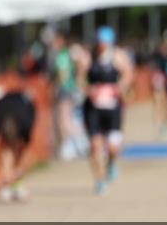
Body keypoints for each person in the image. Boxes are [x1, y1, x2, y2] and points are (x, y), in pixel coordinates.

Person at [79, 26, 133, 194]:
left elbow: (129, 74)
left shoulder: (118, 56)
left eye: (105, 42)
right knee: (95, 145)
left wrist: (120, 87)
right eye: (100, 42)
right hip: (93, 108)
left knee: (113, 147)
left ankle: (111, 164)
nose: (102, 45)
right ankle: (100, 179)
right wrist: (89, 89)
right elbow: (80, 78)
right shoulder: (88, 57)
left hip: (113, 107)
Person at [0, 88, 35, 202]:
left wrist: (19, 166)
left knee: (16, 153)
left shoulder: (25, 123)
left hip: (23, 108)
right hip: (7, 108)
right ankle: (8, 183)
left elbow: (27, 144)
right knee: (7, 151)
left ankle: (14, 182)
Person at [50, 32, 84, 159]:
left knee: (64, 119)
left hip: (65, 91)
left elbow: (63, 75)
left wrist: (57, 87)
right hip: (72, 89)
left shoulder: (62, 56)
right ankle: (76, 144)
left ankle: (75, 144)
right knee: (70, 118)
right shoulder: (67, 54)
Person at [150, 39, 167, 136]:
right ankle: (158, 124)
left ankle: (165, 123)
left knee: (166, 104)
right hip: (160, 82)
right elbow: (153, 70)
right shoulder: (157, 57)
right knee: (158, 102)